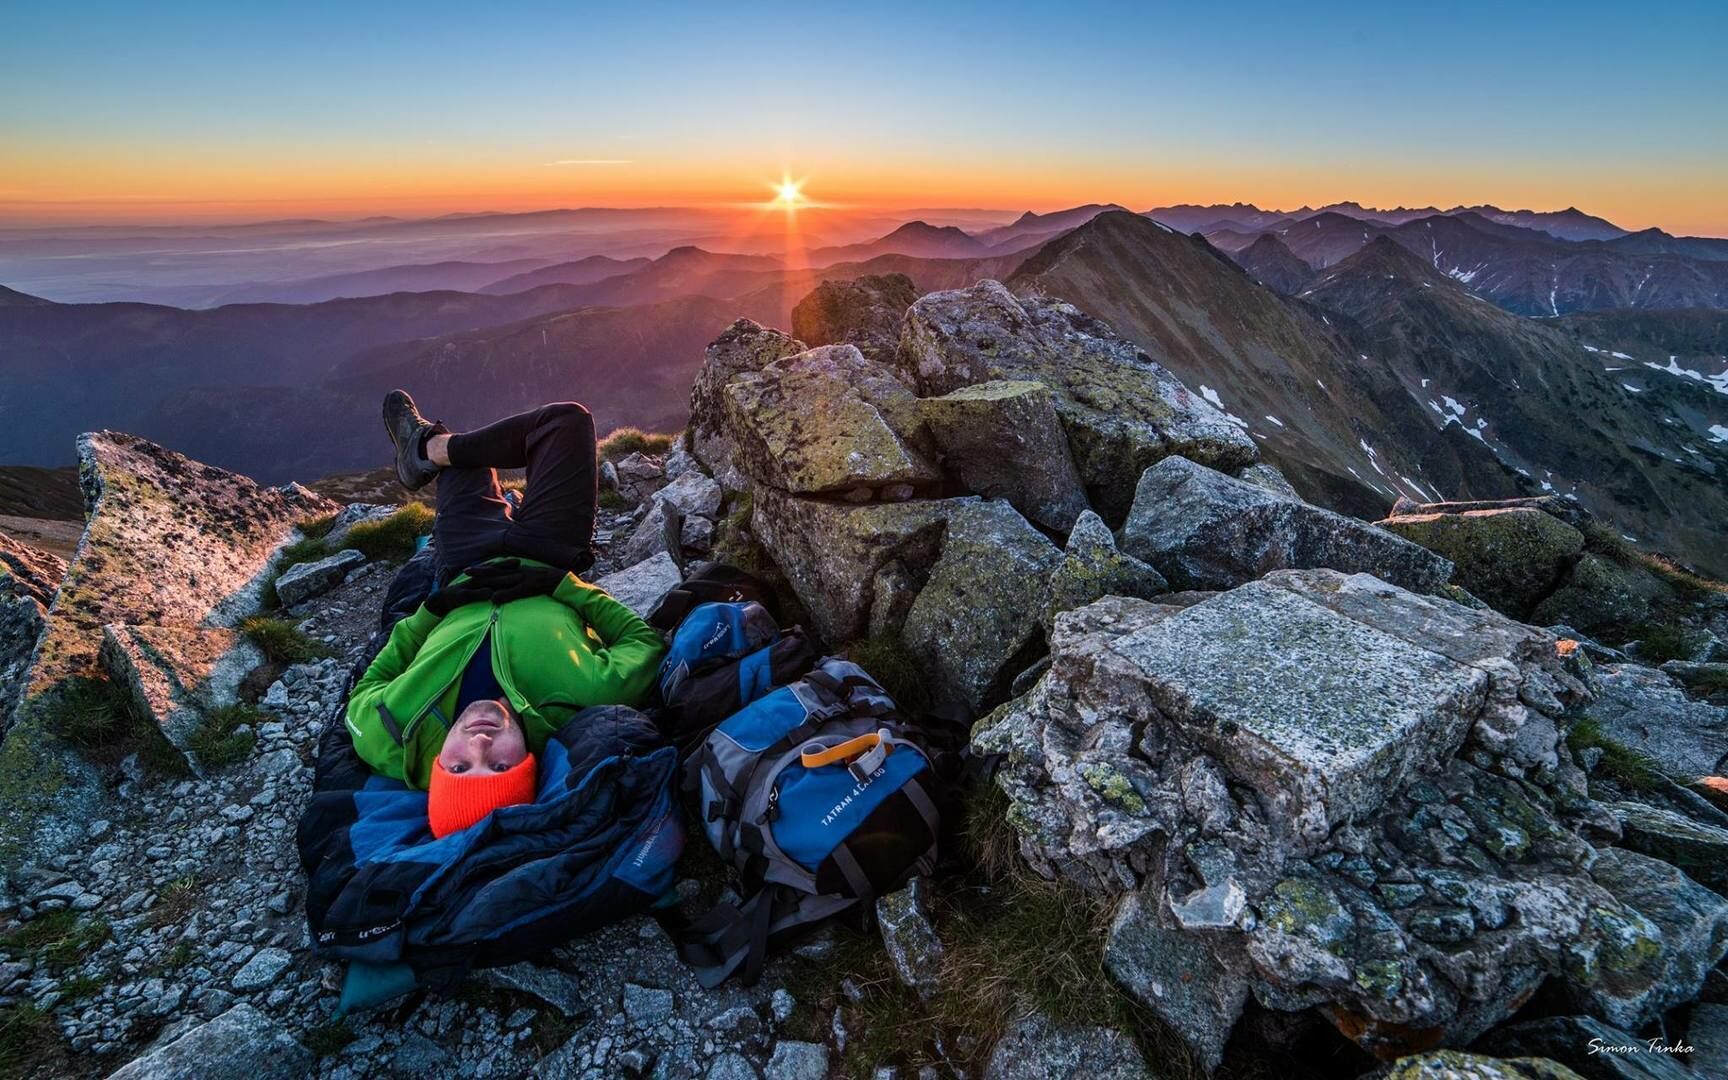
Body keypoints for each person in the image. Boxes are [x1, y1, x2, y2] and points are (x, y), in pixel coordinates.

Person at [343, 391, 665, 838]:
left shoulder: (393, 738)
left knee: (466, 463)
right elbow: (644, 642)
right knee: (566, 422)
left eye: (459, 766)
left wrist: (430, 612)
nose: (479, 742)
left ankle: (425, 450)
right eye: (499, 765)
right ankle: (428, 449)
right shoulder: (581, 700)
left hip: (465, 564)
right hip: (545, 557)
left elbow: (366, 687)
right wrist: (561, 586)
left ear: (436, 767)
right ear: (529, 762)